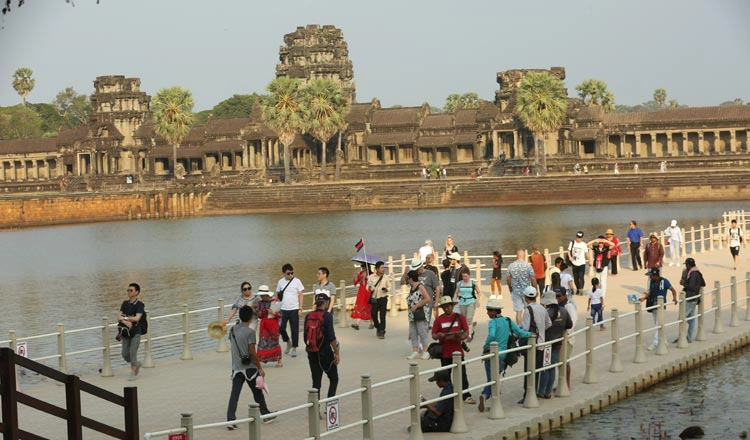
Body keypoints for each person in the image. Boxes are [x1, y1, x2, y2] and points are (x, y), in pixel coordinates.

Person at [478, 297, 531, 412]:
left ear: (493, 311)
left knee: (491, 379)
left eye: (488, 310)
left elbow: (492, 335)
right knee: (495, 378)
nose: (487, 312)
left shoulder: (492, 322)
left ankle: (485, 395)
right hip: (503, 356)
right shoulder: (508, 320)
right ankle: (489, 398)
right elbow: (520, 332)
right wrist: (530, 334)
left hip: (490, 354)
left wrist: (485, 347)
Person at [225, 306, 273, 430]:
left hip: (236, 368)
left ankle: (230, 419)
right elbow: (252, 352)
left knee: (234, 395)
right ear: (251, 317)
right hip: (250, 368)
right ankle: (266, 415)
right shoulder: (250, 332)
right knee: (258, 393)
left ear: (240, 316)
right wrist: (260, 368)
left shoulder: (232, 330)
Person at [431, 296, 474, 404]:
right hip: (445, 352)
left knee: (462, 374)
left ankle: (466, 395)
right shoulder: (438, 320)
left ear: (452, 306)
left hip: (458, 351)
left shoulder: (460, 317)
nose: (447, 309)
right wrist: (439, 335)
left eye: (448, 306)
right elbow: (434, 335)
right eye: (444, 307)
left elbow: (466, 332)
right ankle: (449, 395)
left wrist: (461, 336)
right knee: (446, 375)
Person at [305, 289, 340, 400]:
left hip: (312, 353)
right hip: (325, 353)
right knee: (334, 378)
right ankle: (329, 407)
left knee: (316, 383)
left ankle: (315, 410)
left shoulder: (308, 316)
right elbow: (331, 338)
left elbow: (305, 337)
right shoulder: (327, 316)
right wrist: (337, 352)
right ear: (326, 303)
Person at [538, 287, 572, 399]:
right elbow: (569, 325)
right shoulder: (563, 311)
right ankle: (548, 391)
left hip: (548, 343)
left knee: (545, 367)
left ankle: (542, 391)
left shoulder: (546, 313)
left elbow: (541, 327)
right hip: (558, 342)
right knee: (552, 367)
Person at [518, 286, 551, 404]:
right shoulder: (542, 308)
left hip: (532, 345)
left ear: (526, 297)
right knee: (536, 370)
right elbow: (549, 323)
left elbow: (525, 329)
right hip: (541, 343)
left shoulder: (528, 310)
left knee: (529, 369)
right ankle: (534, 392)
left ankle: (528, 394)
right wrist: (541, 331)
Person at [640, 268, 677, 351]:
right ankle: (664, 340)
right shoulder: (651, 282)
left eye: (651, 276)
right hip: (653, 304)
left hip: (661, 305)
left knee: (658, 324)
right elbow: (650, 292)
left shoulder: (665, 281)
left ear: (655, 275)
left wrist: (675, 298)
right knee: (657, 323)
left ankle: (655, 343)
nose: (649, 277)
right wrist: (644, 298)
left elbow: (673, 290)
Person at [276, 263, 305, 358]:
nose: (290, 275)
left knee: (294, 329)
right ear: (283, 273)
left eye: (292, 273)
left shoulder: (297, 281)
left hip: (294, 309)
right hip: (283, 309)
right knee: (281, 328)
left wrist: (300, 308)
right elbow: (277, 295)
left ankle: (294, 348)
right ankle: (288, 342)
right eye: (288, 273)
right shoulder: (280, 282)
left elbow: (301, 295)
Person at [118, 282, 145, 381]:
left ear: (136, 292)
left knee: (132, 352)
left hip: (136, 332)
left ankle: (133, 372)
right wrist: (126, 322)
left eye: (131, 290)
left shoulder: (140, 305)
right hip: (126, 332)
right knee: (125, 354)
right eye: (128, 290)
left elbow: (137, 318)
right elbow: (118, 316)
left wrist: (125, 318)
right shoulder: (125, 303)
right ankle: (137, 364)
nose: (128, 292)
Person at [555, 278, 577, 390]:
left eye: (559, 296)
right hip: (559, 338)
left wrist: (565, 333)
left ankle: (566, 384)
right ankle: (561, 383)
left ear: (564, 296)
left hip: (567, 339)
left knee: (564, 360)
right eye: (556, 296)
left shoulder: (569, 306)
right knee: (560, 361)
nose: (557, 298)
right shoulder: (557, 307)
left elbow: (573, 322)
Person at [405, 270, 431, 360]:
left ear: (411, 278)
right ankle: (415, 351)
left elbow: (427, 298)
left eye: (408, 278)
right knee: (413, 333)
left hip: (420, 312)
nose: (407, 280)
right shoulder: (411, 287)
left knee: (422, 332)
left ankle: (425, 351)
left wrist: (417, 305)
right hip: (411, 314)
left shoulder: (420, 286)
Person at [507, 249, 537, 324]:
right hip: (527, 291)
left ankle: (519, 328)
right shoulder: (528, 266)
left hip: (516, 291)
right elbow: (533, 278)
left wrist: (510, 287)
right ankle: (528, 326)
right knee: (528, 310)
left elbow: (508, 278)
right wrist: (535, 289)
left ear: (517, 256)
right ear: (524, 256)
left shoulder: (511, 266)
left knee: (518, 312)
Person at [255, 286, 282, 368]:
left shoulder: (275, 302)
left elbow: (281, 315)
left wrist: (273, 312)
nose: (262, 297)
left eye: (263, 295)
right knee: (262, 341)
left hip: (273, 324)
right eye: (261, 296)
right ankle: (260, 359)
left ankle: (279, 360)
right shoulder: (260, 303)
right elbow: (260, 316)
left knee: (274, 342)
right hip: (264, 324)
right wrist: (258, 313)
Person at [679, 258, 705, 343]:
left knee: (681, 317)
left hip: (690, 298)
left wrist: (684, 283)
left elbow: (692, 287)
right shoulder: (697, 272)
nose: (686, 266)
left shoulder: (693, 273)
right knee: (691, 318)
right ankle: (689, 338)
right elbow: (703, 283)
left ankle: (683, 338)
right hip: (695, 298)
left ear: (689, 265)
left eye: (686, 265)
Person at [368, 261, 392, 339]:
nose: (383, 269)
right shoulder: (371, 277)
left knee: (382, 316)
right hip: (375, 299)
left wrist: (386, 289)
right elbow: (367, 288)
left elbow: (389, 287)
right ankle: (378, 327)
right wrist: (370, 287)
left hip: (383, 298)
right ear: (377, 269)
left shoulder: (386, 277)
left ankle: (382, 331)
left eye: (384, 267)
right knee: (373, 314)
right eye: (381, 268)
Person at [455, 267, 479, 342]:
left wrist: (478, 300)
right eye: (463, 276)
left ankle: (469, 335)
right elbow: (456, 293)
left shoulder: (473, 283)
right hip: (462, 302)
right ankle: (469, 331)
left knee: (469, 318)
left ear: (469, 276)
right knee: (463, 319)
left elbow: (479, 292)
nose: (464, 278)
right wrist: (454, 300)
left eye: (466, 276)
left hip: (471, 302)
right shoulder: (459, 284)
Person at [350, 263, 373, 330]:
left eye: (364, 267)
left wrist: (366, 277)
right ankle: (357, 324)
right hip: (361, 292)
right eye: (362, 267)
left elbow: (372, 282)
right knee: (359, 306)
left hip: (368, 292)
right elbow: (355, 282)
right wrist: (356, 276)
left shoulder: (371, 274)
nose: (362, 268)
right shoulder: (360, 273)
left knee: (369, 307)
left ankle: (371, 323)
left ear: (367, 267)